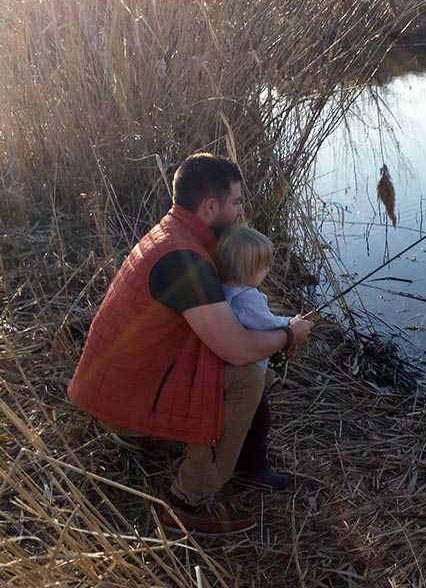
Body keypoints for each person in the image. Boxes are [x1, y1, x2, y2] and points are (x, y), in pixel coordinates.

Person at [67, 153, 314, 535]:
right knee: (247, 376)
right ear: (210, 206)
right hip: (120, 402)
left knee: (252, 368)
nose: (241, 214)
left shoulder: (176, 233)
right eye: (236, 204)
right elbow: (236, 349)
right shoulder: (185, 259)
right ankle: (188, 502)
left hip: (126, 386)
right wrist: (287, 335)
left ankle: (249, 462)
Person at [212, 226, 295, 490]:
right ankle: (254, 469)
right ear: (246, 270)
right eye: (264, 267)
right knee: (261, 421)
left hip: (230, 363)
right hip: (245, 368)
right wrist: (294, 325)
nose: (268, 270)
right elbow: (269, 325)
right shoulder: (248, 298)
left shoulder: (223, 289)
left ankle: (243, 460)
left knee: (251, 415)